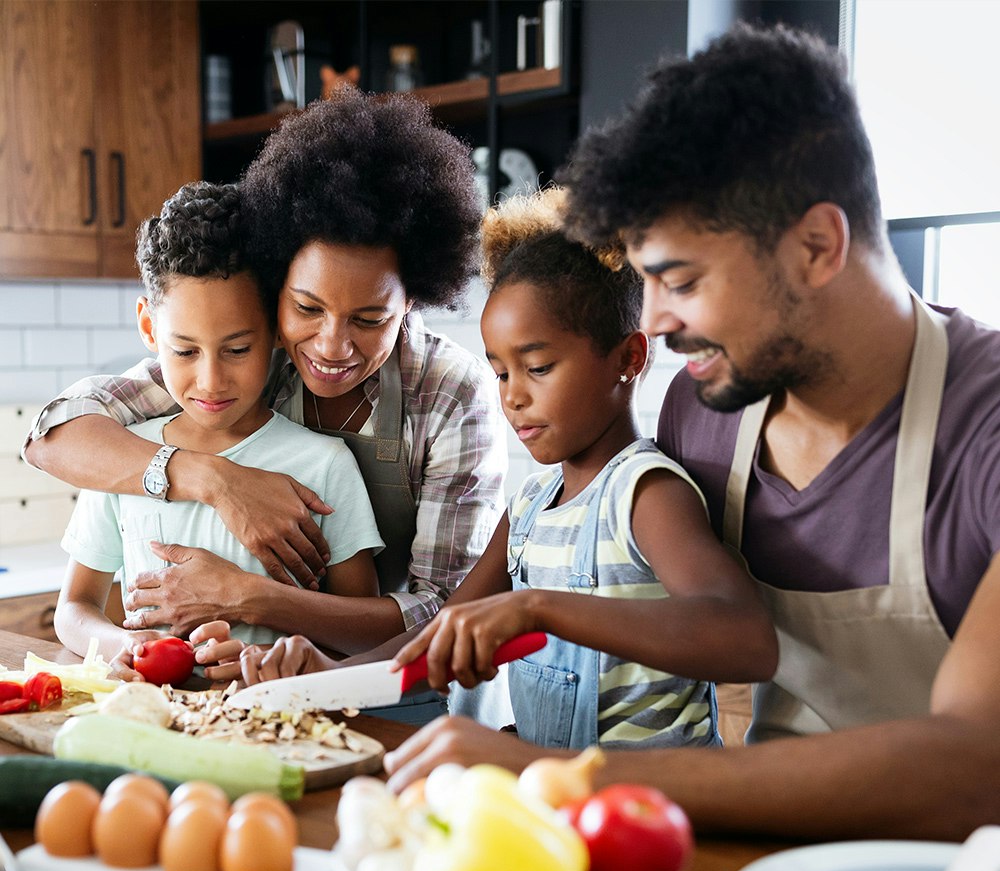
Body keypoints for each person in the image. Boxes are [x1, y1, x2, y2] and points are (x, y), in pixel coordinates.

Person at [382, 23, 1000, 841]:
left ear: (817, 246)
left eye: (680, 281)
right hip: (760, 850)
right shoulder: (704, 413)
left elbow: (974, 769)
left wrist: (552, 773)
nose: (657, 322)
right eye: (646, 282)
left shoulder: (985, 425)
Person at [235, 189, 777, 752]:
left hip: (655, 795)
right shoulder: (530, 507)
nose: (513, 397)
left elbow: (747, 641)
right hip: (554, 791)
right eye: (501, 372)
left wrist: (537, 608)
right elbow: (436, 639)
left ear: (628, 358)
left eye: (537, 367)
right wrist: (326, 677)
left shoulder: (644, 493)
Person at [23, 90, 505, 721]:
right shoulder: (242, 359)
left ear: (411, 299)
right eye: (307, 308)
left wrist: (249, 598)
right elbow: (53, 434)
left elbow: (443, 611)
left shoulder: (451, 392)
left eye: (369, 318)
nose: (331, 346)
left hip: (416, 697)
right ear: (279, 298)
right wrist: (218, 481)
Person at [54, 181, 382, 679]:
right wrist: (121, 643)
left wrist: (278, 660)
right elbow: (74, 609)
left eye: (237, 350)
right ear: (149, 328)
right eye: (185, 351)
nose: (210, 380)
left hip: (277, 714)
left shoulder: (324, 464)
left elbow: (363, 635)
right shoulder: (125, 457)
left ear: (276, 329)